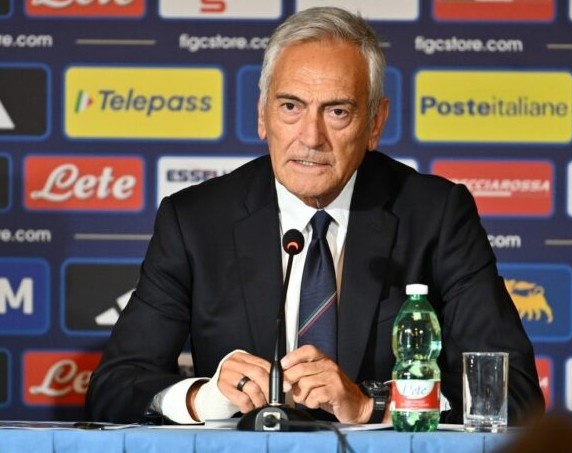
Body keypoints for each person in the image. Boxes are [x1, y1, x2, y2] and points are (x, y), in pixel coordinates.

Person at [86, 6, 544, 425]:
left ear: (375, 123)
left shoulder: (436, 216)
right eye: (291, 107)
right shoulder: (195, 221)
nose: (311, 137)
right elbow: (114, 389)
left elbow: (514, 395)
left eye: (337, 111)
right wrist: (203, 398)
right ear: (262, 114)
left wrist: (372, 405)